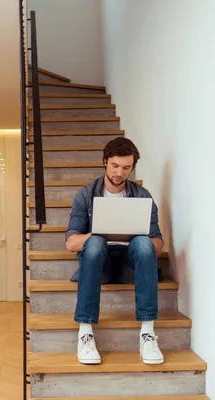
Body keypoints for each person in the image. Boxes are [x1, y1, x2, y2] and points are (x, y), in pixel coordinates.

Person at [65, 137, 165, 365]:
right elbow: (71, 243)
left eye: (126, 167)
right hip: (100, 265)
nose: (120, 172)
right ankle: (85, 332)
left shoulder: (142, 196)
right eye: (115, 166)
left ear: (132, 168)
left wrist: (141, 237)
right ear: (105, 162)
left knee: (143, 242)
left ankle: (148, 333)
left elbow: (157, 244)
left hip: (131, 263)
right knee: (96, 242)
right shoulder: (85, 194)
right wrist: (100, 232)